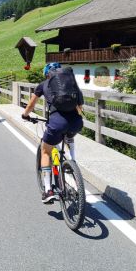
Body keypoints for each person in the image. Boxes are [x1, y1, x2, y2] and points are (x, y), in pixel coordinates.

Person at [21, 62, 84, 204]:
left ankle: (48, 190)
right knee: (69, 135)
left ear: (46, 74)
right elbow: (80, 106)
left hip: (56, 123)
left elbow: (31, 105)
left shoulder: (44, 84)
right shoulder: (72, 84)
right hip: (76, 123)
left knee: (45, 151)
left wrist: (25, 115)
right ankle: (72, 161)